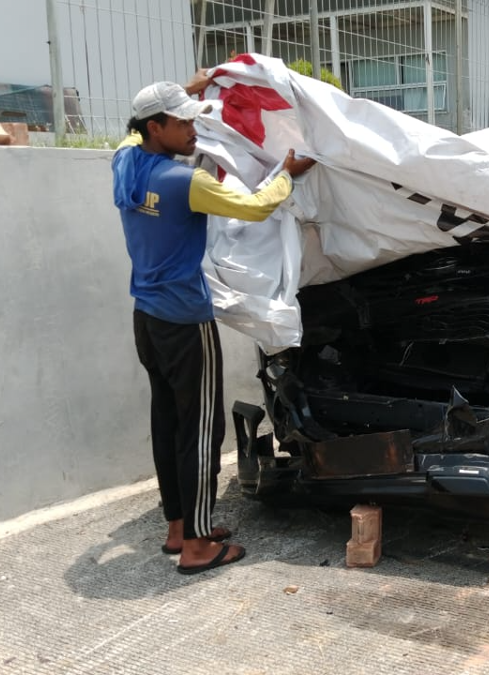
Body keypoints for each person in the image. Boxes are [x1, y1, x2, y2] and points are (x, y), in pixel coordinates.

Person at [112, 75, 316, 574]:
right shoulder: (184, 182)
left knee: (167, 421)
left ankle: (178, 526)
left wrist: (192, 85)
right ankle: (199, 546)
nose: (193, 129)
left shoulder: (125, 163)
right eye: (182, 122)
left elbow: (131, 130)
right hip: (185, 320)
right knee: (202, 428)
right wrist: (287, 172)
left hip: (148, 318)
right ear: (155, 127)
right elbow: (256, 206)